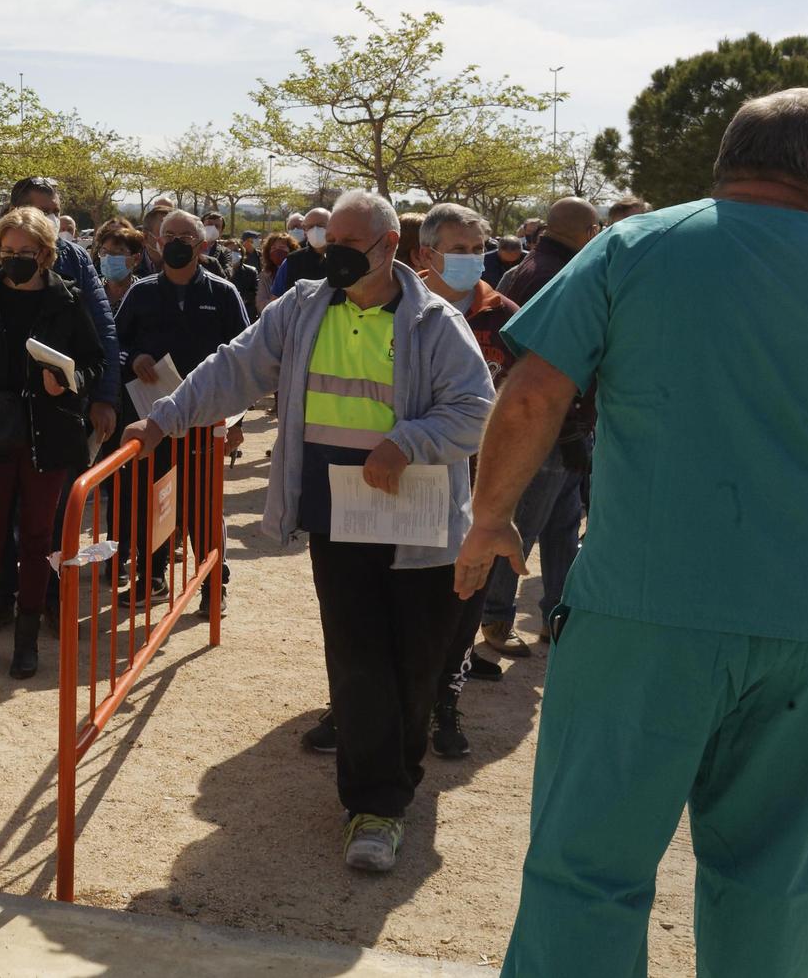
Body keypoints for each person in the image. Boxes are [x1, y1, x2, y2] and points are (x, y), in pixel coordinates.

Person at [457, 88, 808, 978]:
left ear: (726, 163)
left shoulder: (632, 247)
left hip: (642, 612)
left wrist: (490, 516)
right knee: (772, 874)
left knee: (589, 863)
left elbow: (535, 392)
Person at [126, 190, 493, 873]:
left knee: (415, 662)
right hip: (340, 516)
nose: (336, 256)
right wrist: (163, 419)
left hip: (418, 523)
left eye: (353, 243)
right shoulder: (299, 309)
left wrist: (409, 441)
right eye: (332, 243)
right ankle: (374, 806)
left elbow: (475, 409)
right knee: (357, 660)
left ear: (389, 246)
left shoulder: (437, 323)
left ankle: (395, 776)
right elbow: (234, 367)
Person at [308, 203, 520, 760]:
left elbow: (513, 404)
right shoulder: (355, 303)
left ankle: (442, 696)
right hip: (384, 490)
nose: (472, 261)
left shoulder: (503, 315)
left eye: (479, 250)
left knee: (451, 600)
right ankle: (356, 712)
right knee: (367, 620)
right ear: (424, 252)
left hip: (470, 480)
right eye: (460, 250)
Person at [0, 206, 105, 679]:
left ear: (45, 253)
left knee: (40, 536)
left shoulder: (68, 298)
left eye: (25, 251)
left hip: (50, 433)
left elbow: (92, 362)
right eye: (6, 251)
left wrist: (71, 383)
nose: (15, 258)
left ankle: (27, 638)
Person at [481, 197, 602, 656]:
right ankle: (495, 618)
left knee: (563, 526)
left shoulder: (523, 270)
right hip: (550, 423)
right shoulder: (565, 275)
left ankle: (556, 614)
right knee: (524, 526)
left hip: (560, 423)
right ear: (587, 231)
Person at [112, 209, 250, 599]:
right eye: (167, 236)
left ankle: (212, 584)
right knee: (154, 501)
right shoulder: (140, 293)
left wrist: (237, 422)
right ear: (156, 242)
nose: (174, 243)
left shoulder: (223, 293)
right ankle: (152, 577)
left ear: (202, 245)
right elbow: (115, 347)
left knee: (203, 506)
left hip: (207, 421)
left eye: (185, 238)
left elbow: (245, 360)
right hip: (152, 421)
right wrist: (135, 357)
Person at [0, 178, 120, 450]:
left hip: (54, 417)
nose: (50, 218)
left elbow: (102, 333)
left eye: (54, 210)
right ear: (15, 211)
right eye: (42, 210)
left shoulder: (75, 260)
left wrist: (104, 399)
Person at [269, 205, 331, 298]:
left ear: (332, 226)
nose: (315, 230)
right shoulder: (291, 262)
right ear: (305, 230)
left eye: (321, 225)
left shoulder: (344, 258)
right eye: (310, 227)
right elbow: (276, 301)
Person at [93, 218, 144, 308]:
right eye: (104, 252)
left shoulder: (145, 293)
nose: (108, 258)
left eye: (117, 253)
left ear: (136, 258)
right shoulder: (91, 292)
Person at [255, 232, 296, 313]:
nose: (277, 250)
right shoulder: (265, 275)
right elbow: (261, 304)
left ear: (291, 249)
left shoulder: (299, 269)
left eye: (282, 247)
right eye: (273, 248)